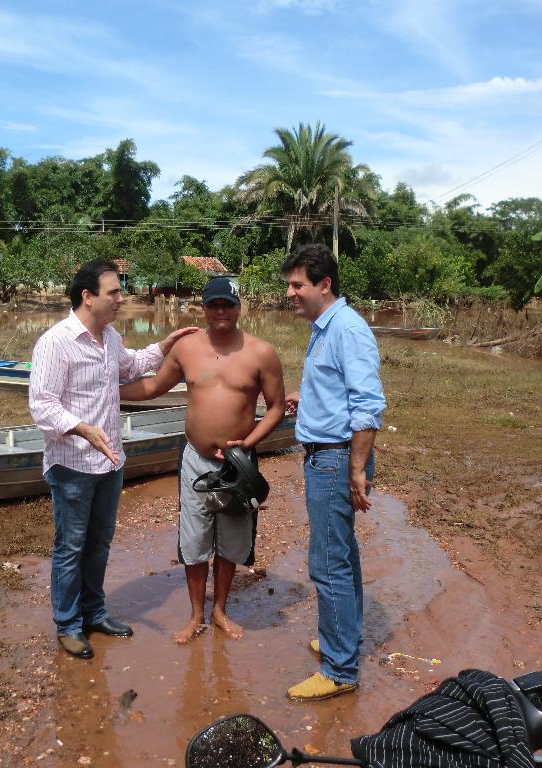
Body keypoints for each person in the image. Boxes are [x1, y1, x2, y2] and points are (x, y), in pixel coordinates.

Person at [28, 259, 198, 659]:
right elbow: (42, 406)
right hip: (73, 463)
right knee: (71, 545)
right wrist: (82, 428)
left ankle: (94, 611)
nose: (122, 298)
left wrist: (166, 344)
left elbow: (133, 365)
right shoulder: (56, 342)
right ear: (88, 297)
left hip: (110, 462)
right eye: (114, 292)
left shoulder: (109, 338)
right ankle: (68, 624)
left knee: (100, 543)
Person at [120, 276, 285, 644]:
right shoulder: (186, 348)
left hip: (238, 464)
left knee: (231, 539)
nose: (221, 311)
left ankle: (220, 610)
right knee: (194, 541)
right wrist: (103, 392)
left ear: (239, 307)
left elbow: (275, 408)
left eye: (227, 304)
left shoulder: (262, 352)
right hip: (195, 458)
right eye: (213, 305)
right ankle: (196, 615)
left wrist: (249, 442)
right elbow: (152, 387)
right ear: (204, 308)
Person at [281, 243, 386, 701]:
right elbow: (341, 389)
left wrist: (357, 469)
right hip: (329, 452)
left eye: (297, 284)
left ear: (325, 285)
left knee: (328, 563)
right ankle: (339, 638)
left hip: (337, 459)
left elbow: (368, 407)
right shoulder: (324, 326)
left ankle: (340, 668)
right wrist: (310, 402)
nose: (290, 293)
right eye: (289, 284)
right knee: (341, 555)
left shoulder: (347, 329)